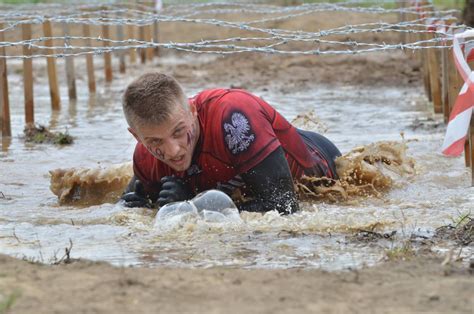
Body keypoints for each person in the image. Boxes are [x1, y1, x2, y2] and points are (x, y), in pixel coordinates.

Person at [121, 72, 341, 214]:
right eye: (155, 141)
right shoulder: (144, 158)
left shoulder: (233, 119)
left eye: (179, 131)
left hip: (324, 164)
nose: (173, 150)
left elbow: (285, 207)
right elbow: (129, 208)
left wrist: (193, 206)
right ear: (137, 137)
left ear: (193, 111)